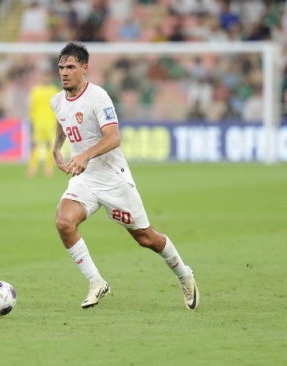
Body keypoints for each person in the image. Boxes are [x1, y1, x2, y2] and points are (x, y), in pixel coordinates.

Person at [50, 42, 199, 310]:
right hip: (85, 179)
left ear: (85, 68)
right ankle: (96, 282)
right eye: (61, 67)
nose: (64, 72)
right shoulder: (57, 100)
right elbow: (62, 119)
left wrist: (84, 155)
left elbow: (114, 137)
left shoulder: (98, 97)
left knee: (146, 238)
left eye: (70, 67)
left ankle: (185, 275)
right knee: (64, 222)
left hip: (113, 179)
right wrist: (56, 147)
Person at [27, 71, 60, 177]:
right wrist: (32, 119)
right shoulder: (36, 90)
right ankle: (33, 167)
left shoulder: (54, 90)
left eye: (47, 77)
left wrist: (58, 121)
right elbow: (32, 106)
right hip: (38, 123)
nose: (45, 79)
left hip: (50, 123)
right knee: (34, 145)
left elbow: (58, 107)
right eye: (43, 76)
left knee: (49, 145)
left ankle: (48, 167)